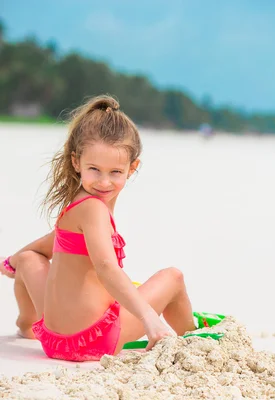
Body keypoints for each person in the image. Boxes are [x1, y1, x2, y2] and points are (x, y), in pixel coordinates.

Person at [0, 95, 196, 362]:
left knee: (27, 259)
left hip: (54, 341)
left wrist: (10, 263)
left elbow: (49, 243)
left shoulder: (78, 204)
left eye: (115, 172)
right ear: (76, 162)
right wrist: (149, 318)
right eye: (95, 169)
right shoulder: (94, 209)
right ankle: (194, 341)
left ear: (131, 168)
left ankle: (26, 325)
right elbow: (105, 268)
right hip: (94, 342)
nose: (104, 182)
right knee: (173, 277)